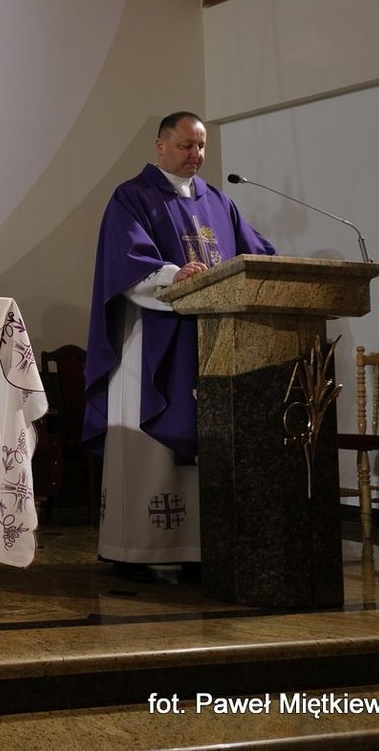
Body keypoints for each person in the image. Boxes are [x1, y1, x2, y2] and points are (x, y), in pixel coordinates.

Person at [84, 112, 274, 571]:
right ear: (161, 146)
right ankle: (137, 550)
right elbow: (125, 261)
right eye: (187, 145)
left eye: (201, 146)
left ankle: (201, 550)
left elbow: (256, 256)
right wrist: (173, 276)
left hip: (211, 343)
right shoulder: (133, 196)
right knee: (151, 451)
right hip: (152, 341)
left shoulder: (220, 201)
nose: (196, 155)